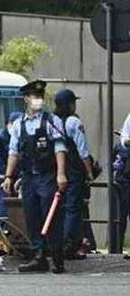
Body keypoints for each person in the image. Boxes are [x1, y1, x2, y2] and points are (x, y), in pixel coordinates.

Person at [2, 80, 69, 274]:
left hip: (47, 176)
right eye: (34, 97)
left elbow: (59, 147)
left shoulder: (51, 121)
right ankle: (38, 256)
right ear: (26, 99)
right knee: (31, 217)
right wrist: (8, 176)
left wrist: (61, 174)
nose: (38, 100)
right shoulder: (18, 124)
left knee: (52, 216)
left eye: (40, 96)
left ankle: (57, 258)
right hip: (28, 177)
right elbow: (13, 151)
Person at [53, 88, 94, 260]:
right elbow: (83, 150)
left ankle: (58, 243)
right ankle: (70, 245)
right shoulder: (73, 122)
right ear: (70, 105)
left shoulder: (51, 120)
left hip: (55, 169)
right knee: (73, 208)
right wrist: (89, 172)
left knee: (59, 207)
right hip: (74, 170)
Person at [0, 111, 24, 218]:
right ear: (9, 124)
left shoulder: (21, 137)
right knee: (3, 208)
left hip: (20, 177)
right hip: (3, 177)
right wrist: (8, 173)